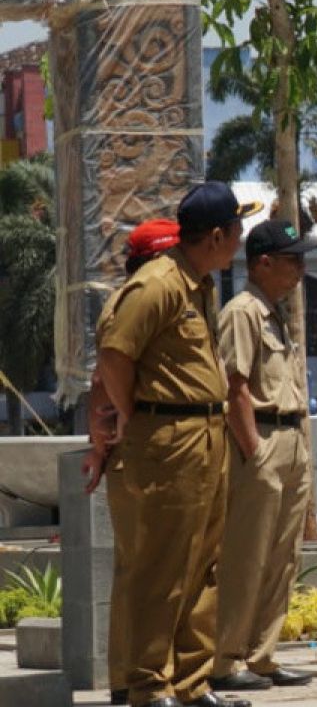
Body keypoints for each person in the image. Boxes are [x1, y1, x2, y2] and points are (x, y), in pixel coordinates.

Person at [97, 182, 261, 707]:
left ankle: (191, 683)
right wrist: (130, 413)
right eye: (237, 231)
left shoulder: (198, 284)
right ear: (215, 236)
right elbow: (115, 355)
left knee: (202, 565)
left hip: (204, 436)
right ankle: (149, 686)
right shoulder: (157, 284)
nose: (240, 241)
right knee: (162, 566)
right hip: (168, 438)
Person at [209, 220, 317, 691]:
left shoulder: (274, 314)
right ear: (262, 263)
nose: (301, 268)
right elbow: (234, 389)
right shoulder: (243, 312)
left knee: (282, 558)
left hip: (292, 439)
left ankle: (262, 655)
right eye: (292, 259)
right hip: (263, 441)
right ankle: (224, 659)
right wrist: (254, 452)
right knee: (245, 557)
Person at [83, 218, 182, 707]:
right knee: (140, 570)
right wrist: (104, 441)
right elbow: (104, 381)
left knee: (140, 568)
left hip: (133, 449)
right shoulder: (138, 302)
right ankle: (129, 678)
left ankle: (132, 677)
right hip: (135, 451)